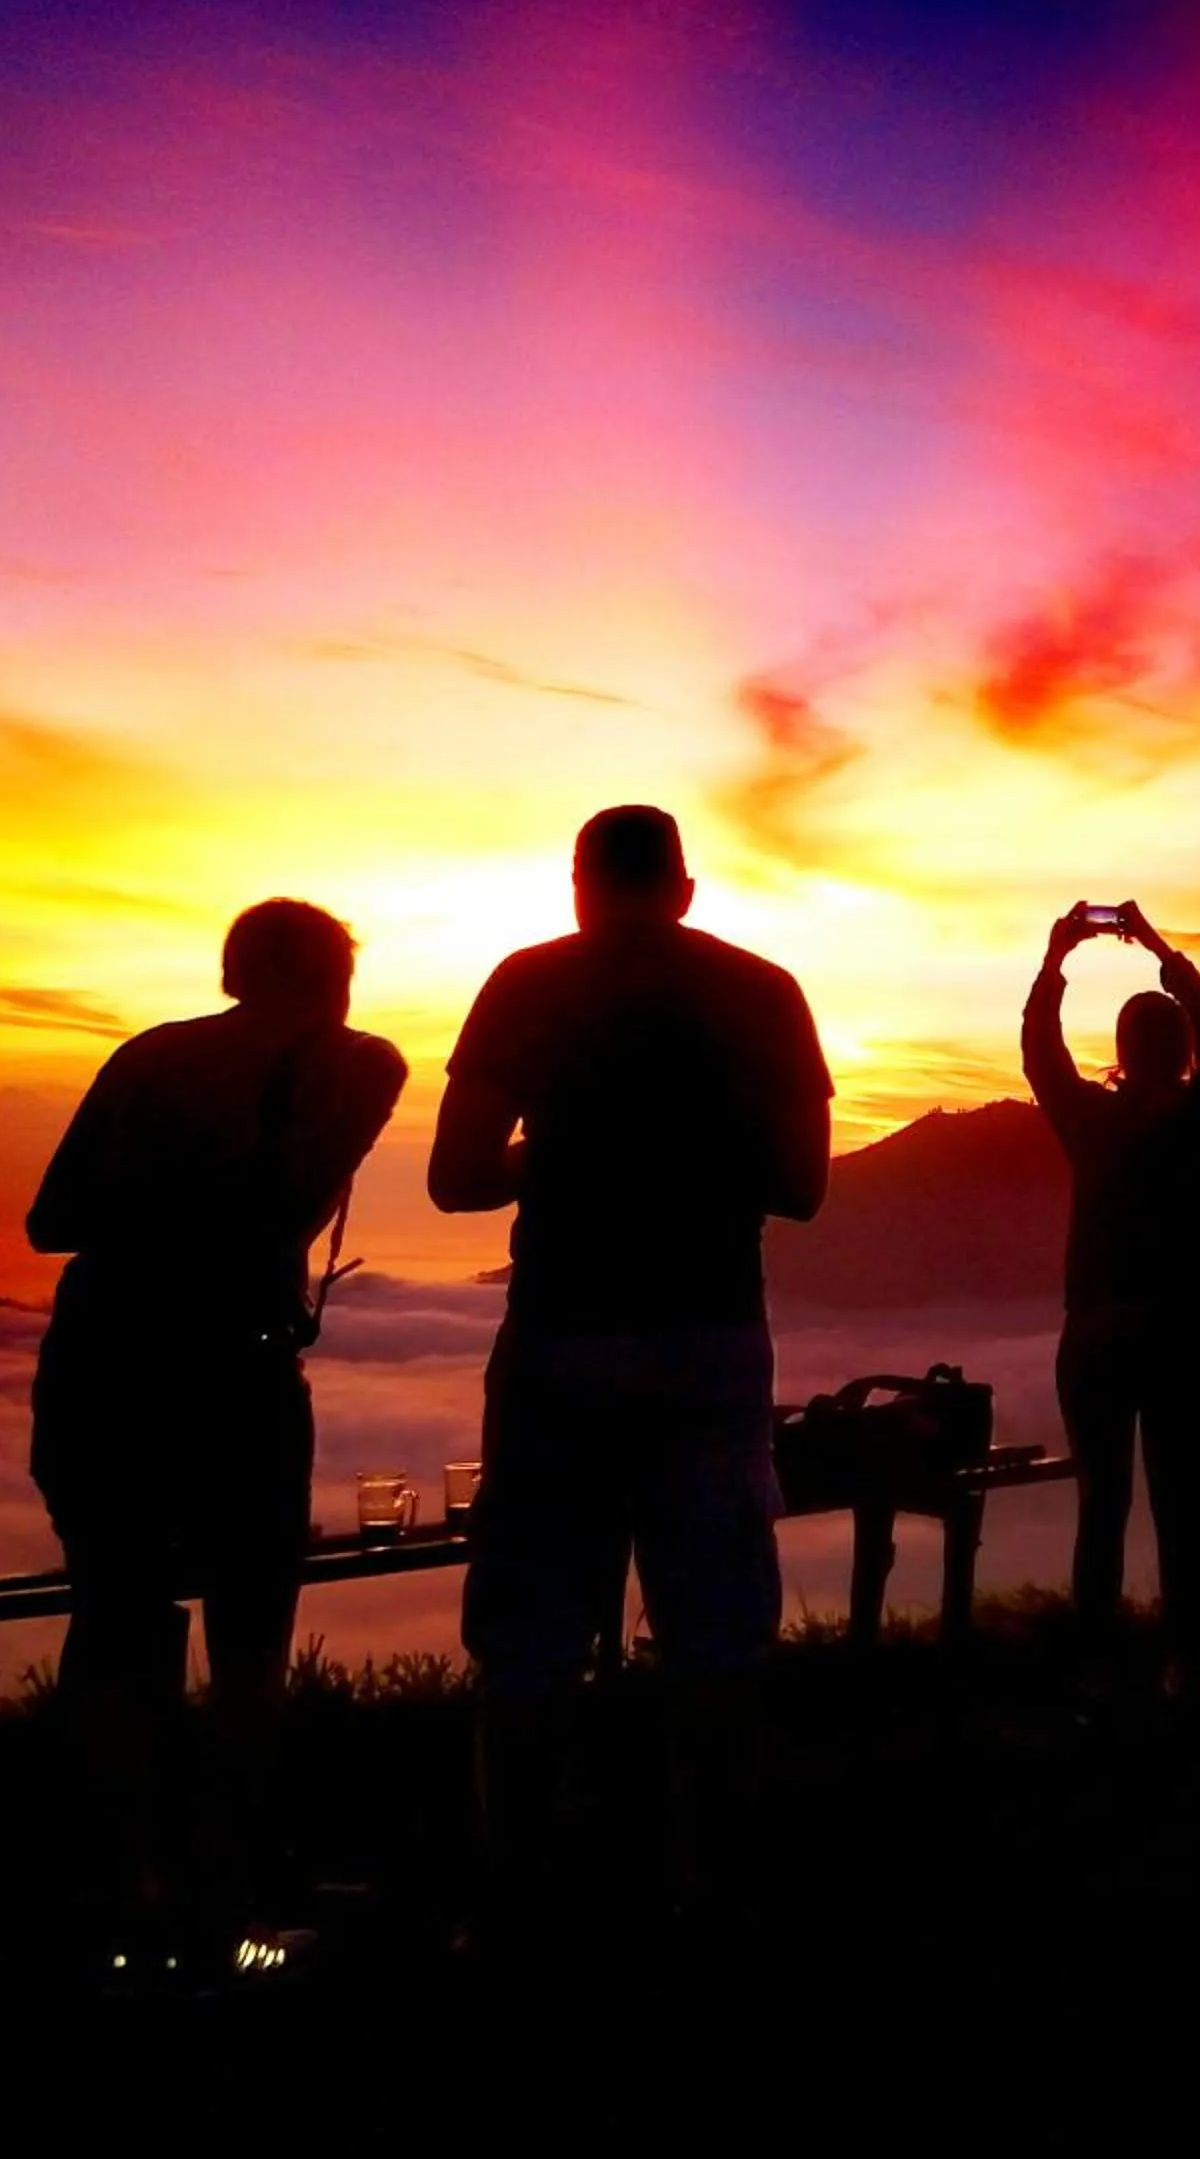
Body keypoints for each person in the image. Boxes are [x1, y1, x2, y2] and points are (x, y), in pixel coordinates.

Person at [429, 806, 831, 1945]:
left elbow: (456, 1177)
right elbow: (802, 1187)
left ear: (578, 887)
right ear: (686, 890)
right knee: (718, 1634)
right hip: (710, 1337)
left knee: (529, 1638)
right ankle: (716, 1896)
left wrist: (554, 1155)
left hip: (561, 1337)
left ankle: (518, 1903)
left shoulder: (526, 983)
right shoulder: (765, 990)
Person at [26, 898, 407, 1983]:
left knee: (115, 1628)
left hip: (97, 1366)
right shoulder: (362, 1062)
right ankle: (231, 1917)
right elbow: (278, 1209)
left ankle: (120, 1910)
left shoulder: (146, 1055)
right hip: (234, 1378)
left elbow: (50, 1222)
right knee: (247, 1646)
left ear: (234, 971)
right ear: (335, 979)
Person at [1021, 901, 1200, 1692]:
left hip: (1097, 1338)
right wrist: (1155, 944)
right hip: (1184, 1337)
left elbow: (1041, 1056)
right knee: (1182, 1508)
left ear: (1120, 1052)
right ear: (1181, 1050)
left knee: (1100, 1507)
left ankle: (1098, 1671)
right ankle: (1188, 1665)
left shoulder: (1090, 1122)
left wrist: (1057, 959)